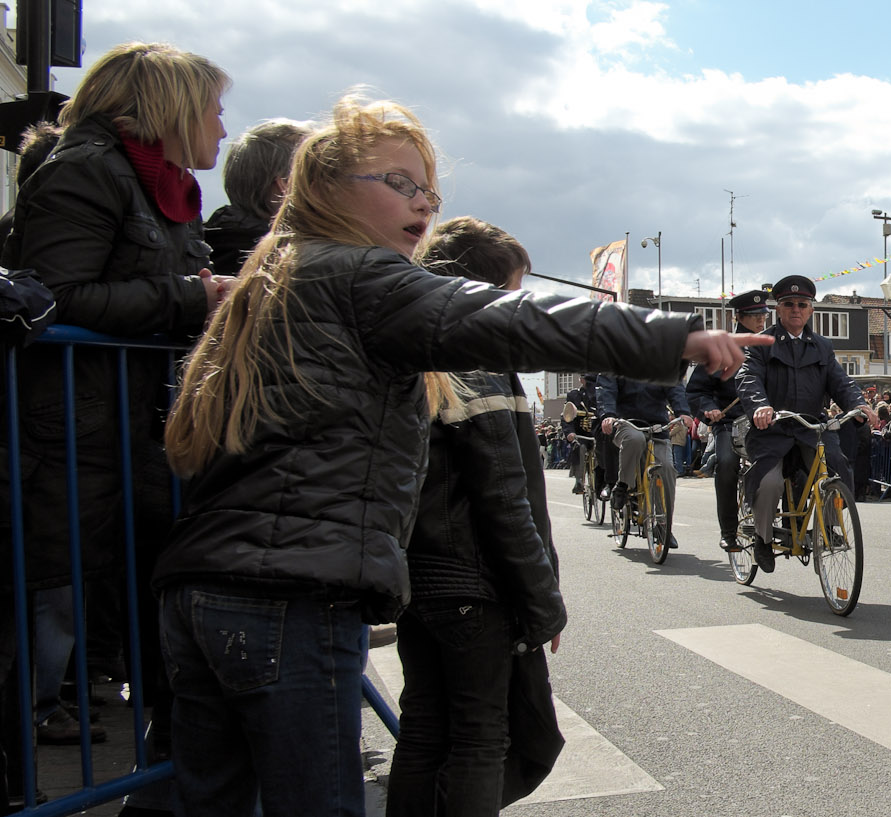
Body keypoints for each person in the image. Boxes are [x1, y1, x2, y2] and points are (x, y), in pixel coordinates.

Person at [155, 94, 766, 815]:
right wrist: (676, 339)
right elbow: (514, 320)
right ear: (322, 189)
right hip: (290, 594)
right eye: (400, 183)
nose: (422, 203)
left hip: (198, 588)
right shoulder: (358, 277)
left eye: (430, 190)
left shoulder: (274, 276)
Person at [0, 43, 233, 776]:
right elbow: (52, 297)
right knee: (39, 600)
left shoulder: (154, 181)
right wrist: (192, 296)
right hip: (70, 431)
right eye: (213, 110)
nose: (222, 130)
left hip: (127, 429)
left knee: (134, 599)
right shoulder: (86, 171)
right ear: (167, 107)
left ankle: (167, 771)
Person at [389, 217, 565, 816]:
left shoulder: (423, 350)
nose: (520, 305)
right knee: (479, 740)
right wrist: (544, 603)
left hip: (419, 578)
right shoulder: (480, 362)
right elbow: (505, 499)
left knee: (422, 730)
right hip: (475, 583)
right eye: (515, 291)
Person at [737, 275, 875, 573]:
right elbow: (748, 378)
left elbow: (840, 381)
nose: (796, 309)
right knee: (769, 482)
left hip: (811, 429)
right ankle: (762, 537)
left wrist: (858, 404)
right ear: (779, 309)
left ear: (811, 310)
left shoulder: (822, 346)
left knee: (836, 467)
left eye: (802, 304)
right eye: (789, 304)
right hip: (772, 430)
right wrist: (760, 406)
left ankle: (829, 529)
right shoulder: (761, 343)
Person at [687, 288, 771, 552]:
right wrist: (709, 410)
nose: (761, 321)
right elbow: (697, 390)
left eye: (763, 315)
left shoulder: (772, 346)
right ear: (739, 317)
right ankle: (729, 531)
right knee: (726, 463)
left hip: (765, 421)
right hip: (730, 421)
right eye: (754, 315)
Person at [596, 368, 693, 548]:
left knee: (667, 468)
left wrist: (683, 411)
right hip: (626, 423)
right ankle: (622, 486)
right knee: (635, 439)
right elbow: (606, 390)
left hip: (657, 425)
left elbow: (675, 387)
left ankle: (664, 525)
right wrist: (608, 415)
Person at [204, 118, 313, 275]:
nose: (332, 185)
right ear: (286, 184)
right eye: (319, 171)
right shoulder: (283, 264)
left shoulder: (204, 246)